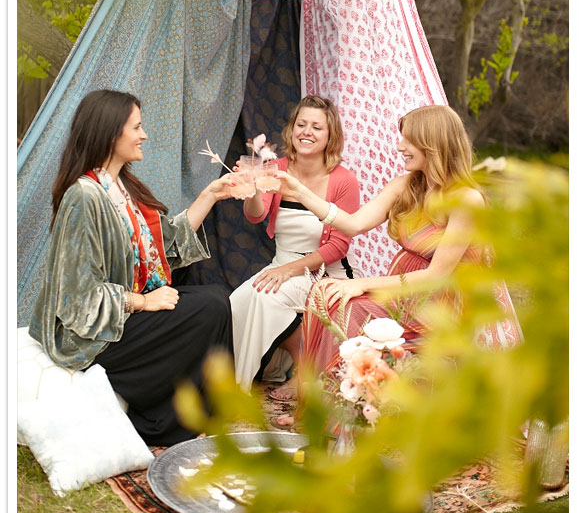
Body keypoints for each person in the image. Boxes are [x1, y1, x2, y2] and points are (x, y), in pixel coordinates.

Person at [29, 89, 235, 446]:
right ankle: (159, 425)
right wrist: (142, 303)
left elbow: (160, 249)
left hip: (122, 313)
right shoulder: (84, 197)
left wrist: (211, 195)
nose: (144, 135)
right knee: (209, 307)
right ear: (111, 134)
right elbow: (77, 296)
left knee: (215, 299)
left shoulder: (120, 186)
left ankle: (190, 416)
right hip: (91, 332)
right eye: (137, 127)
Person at [275, 104, 488, 377]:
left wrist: (360, 284)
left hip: (438, 304)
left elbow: (437, 275)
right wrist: (300, 191)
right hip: (401, 291)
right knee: (323, 293)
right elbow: (353, 224)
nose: (400, 147)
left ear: (432, 143)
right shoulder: (408, 185)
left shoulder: (466, 199)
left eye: (408, 140)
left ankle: (352, 399)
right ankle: (321, 395)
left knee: (349, 308)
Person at [229, 95, 361, 395]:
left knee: (268, 298)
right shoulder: (276, 168)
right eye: (301, 124)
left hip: (325, 271)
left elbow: (338, 246)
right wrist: (251, 188)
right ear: (291, 129)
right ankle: (261, 376)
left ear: (331, 136)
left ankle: (299, 374)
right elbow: (256, 215)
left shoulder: (344, 180)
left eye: (317, 127)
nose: (307, 132)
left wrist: (290, 270)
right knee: (237, 302)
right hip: (283, 264)